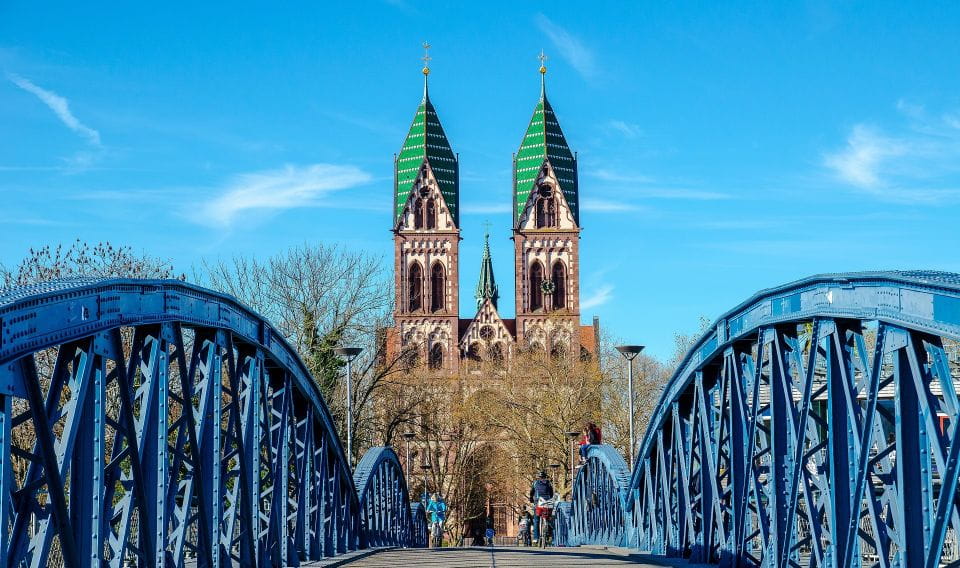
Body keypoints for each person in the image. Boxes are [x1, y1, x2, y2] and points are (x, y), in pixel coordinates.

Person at [528, 471, 554, 543]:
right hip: (548, 502)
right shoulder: (548, 483)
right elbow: (551, 493)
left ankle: (536, 537)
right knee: (549, 517)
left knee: (536, 520)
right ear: (545, 477)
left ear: (538, 477)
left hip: (538, 502)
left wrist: (531, 498)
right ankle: (549, 533)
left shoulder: (535, 483)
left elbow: (531, 492)